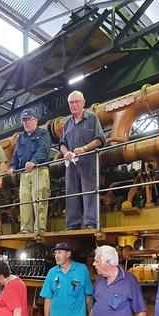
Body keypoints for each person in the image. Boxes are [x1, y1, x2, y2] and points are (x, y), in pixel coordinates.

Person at [59, 91, 106, 230]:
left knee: (89, 190)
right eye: (71, 103)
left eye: (76, 102)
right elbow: (61, 143)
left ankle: (91, 222)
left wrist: (85, 148)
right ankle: (73, 224)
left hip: (88, 162)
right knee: (71, 191)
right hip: (71, 165)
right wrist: (65, 152)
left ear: (83, 102)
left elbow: (100, 139)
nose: (74, 105)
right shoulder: (67, 123)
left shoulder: (92, 118)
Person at [8, 108, 51, 233]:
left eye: (29, 120)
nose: (27, 123)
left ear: (36, 120)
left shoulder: (43, 133)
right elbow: (16, 154)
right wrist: (12, 167)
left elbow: (43, 150)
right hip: (24, 174)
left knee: (39, 199)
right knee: (25, 201)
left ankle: (39, 228)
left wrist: (34, 161)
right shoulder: (21, 137)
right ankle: (26, 228)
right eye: (24, 121)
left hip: (39, 170)